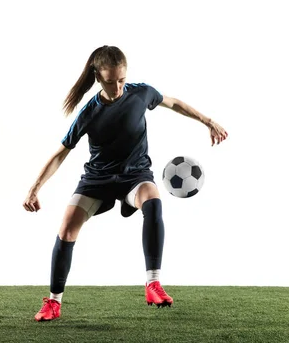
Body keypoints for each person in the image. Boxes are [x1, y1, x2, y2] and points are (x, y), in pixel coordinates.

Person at [23, 45, 228, 322]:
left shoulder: (140, 93)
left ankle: (153, 284)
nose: (117, 86)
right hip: (97, 179)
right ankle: (54, 303)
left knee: (154, 201)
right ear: (98, 77)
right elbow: (60, 153)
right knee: (66, 230)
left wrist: (208, 121)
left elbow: (174, 103)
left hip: (135, 175)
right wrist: (35, 188)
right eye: (110, 81)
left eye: (121, 79)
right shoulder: (88, 113)